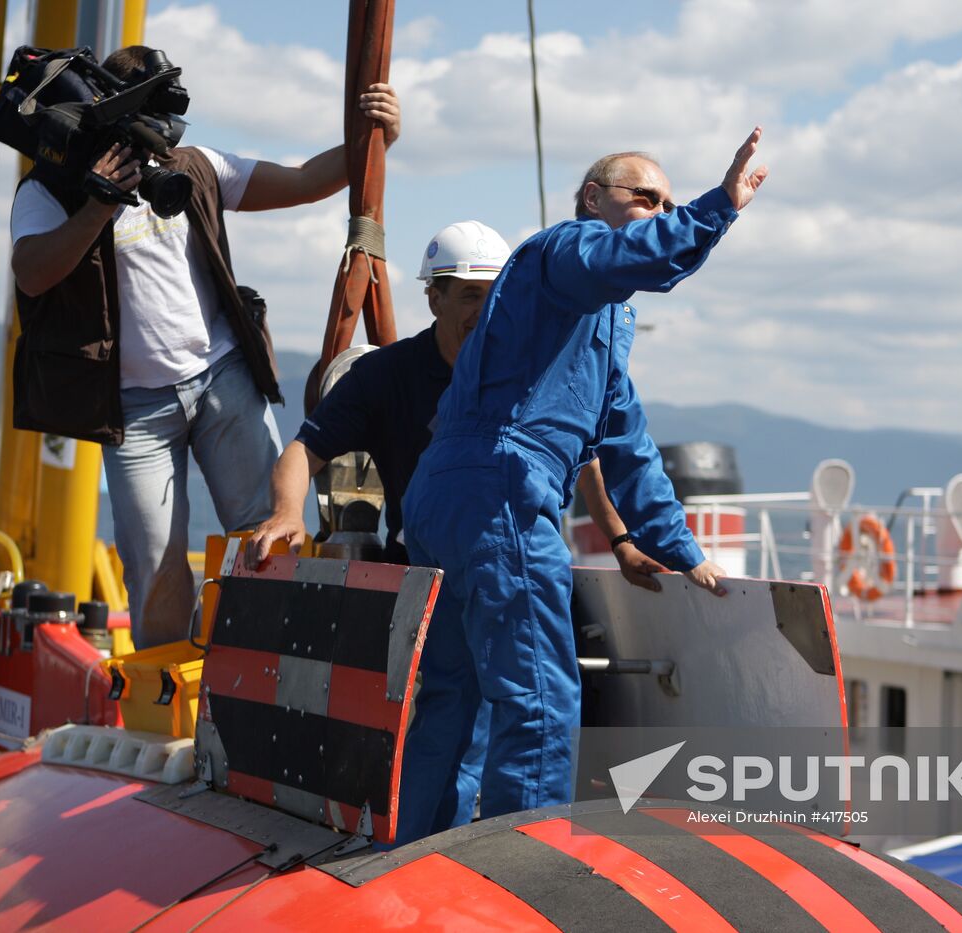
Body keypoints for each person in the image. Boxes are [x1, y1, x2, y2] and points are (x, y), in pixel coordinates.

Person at [244, 221, 670, 843]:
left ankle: (457, 844)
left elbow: (587, 456)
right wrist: (287, 514)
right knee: (497, 705)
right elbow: (304, 449)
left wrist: (623, 541)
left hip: (506, 554)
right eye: (468, 295)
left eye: (494, 296)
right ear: (434, 298)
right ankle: (478, 848)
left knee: (492, 704)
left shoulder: (524, 365)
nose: (483, 311)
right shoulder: (387, 375)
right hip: (429, 570)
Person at [401, 128, 769, 823]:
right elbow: (640, 255)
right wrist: (717, 204)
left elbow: (628, 443)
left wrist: (681, 551)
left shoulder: (599, 323)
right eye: (646, 198)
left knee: (456, 695)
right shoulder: (565, 247)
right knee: (540, 698)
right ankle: (521, 870)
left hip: (447, 494)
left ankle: (418, 853)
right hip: (501, 491)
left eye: (669, 205)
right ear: (594, 199)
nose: (659, 214)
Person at [8, 45, 400, 648]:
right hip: (133, 407)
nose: (158, 140)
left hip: (220, 378)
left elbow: (302, 181)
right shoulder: (50, 190)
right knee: (156, 564)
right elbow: (32, 274)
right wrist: (98, 204)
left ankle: (272, 664)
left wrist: (375, 142)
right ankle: (166, 685)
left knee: (268, 529)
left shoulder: (192, 167)